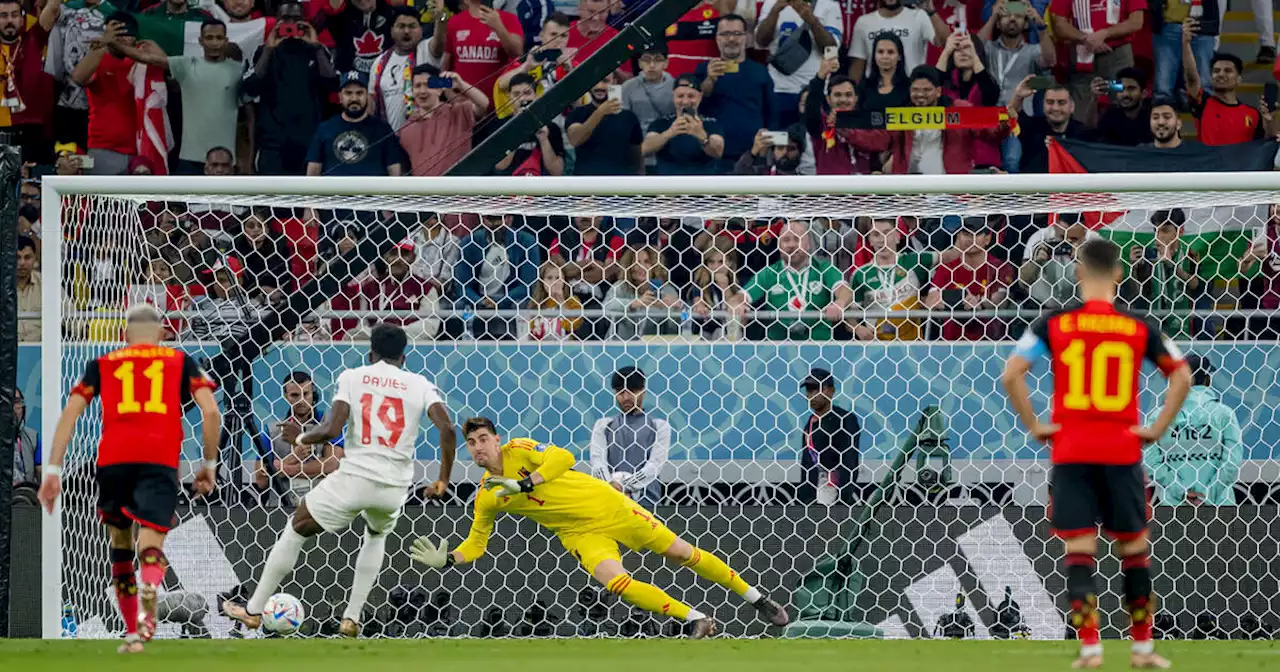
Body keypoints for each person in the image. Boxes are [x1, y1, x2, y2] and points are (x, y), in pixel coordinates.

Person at [409, 416, 790, 638]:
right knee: (615, 582)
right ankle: (695, 620)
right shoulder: (486, 496)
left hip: (610, 506)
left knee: (683, 554)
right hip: (579, 533)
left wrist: (525, 484)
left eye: (483, 439)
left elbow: (564, 456)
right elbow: (477, 544)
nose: (478, 447)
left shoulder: (520, 449)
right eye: (471, 443)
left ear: (497, 440)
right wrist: (448, 560)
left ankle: (757, 598)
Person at [1002, 238, 1191, 670]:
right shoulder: (1141, 326)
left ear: (1078, 272)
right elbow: (1181, 376)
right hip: (1122, 449)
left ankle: (1090, 649)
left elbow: (1012, 374)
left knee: (1079, 550)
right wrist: (1157, 429)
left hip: (1071, 450)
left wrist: (1035, 425)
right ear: (1120, 274)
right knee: (1134, 549)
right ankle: (1142, 649)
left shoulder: (1053, 324)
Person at [224, 323, 458, 638]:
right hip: (394, 486)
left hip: (356, 477)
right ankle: (351, 618)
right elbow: (448, 429)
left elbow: (331, 430)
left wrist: (301, 436)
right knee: (376, 536)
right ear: (404, 356)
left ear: (370, 351)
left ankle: (252, 612)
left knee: (296, 529)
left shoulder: (353, 377)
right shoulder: (420, 384)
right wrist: (443, 479)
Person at [38, 304, 221, 653]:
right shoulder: (181, 362)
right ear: (162, 335)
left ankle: (132, 632)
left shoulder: (103, 365)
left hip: (113, 462)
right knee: (151, 546)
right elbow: (211, 411)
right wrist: (209, 464)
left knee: (120, 549)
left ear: (124, 336)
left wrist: (53, 472)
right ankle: (150, 588)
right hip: (159, 460)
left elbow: (70, 415)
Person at [110, 19, 241, 175]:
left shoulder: (238, 70)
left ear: (226, 40)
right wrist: (113, 43)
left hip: (224, 161)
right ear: (201, 40)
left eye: (219, 38)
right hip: (190, 157)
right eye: (209, 37)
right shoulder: (187, 65)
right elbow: (148, 58)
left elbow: (248, 114)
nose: (214, 42)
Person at [244, 2, 338, 175]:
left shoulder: (318, 50)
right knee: (272, 197)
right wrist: (269, 49)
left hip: (309, 139)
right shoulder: (262, 51)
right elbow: (251, 87)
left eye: (296, 19)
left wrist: (315, 45)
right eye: (286, 18)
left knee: (307, 197)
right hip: (273, 141)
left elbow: (333, 84)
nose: (291, 24)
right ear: (277, 20)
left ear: (304, 21)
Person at [1145, 354, 1242, 507]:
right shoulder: (1224, 414)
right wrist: (1208, 495)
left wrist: (1180, 492)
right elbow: (1232, 462)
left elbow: (1150, 461)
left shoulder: (1159, 417)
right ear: (1208, 380)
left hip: (1174, 508)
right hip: (1220, 506)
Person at [738, 219, 853, 340]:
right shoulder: (769, 273)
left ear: (808, 244)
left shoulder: (824, 268)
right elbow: (741, 296)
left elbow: (844, 290)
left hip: (819, 347)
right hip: (779, 349)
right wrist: (737, 304)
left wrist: (840, 303)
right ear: (779, 245)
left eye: (797, 239)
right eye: (786, 240)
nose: (792, 245)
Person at [1049, 0, 1145, 127]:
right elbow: (1060, 24)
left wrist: (1105, 33)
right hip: (1083, 55)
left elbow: (1136, 21)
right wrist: (1085, 38)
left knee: (1120, 99)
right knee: (1082, 104)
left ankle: (1122, 141)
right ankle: (1083, 142)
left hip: (1116, 57)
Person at [847, 218, 945, 341]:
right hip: (876, 344)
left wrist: (934, 290)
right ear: (869, 240)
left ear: (897, 237)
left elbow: (949, 257)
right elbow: (849, 316)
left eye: (887, 233)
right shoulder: (860, 274)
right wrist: (858, 329)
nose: (882, 239)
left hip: (912, 342)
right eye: (876, 235)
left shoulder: (913, 262)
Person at [696, 14, 775, 167]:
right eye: (725, 34)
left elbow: (771, 113)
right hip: (712, 156)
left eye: (737, 34)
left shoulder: (760, 71)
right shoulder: (703, 70)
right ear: (717, 38)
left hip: (752, 155)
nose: (731, 39)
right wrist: (710, 79)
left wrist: (767, 149)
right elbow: (694, 106)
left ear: (746, 37)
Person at [589, 367, 672, 508]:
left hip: (647, 501)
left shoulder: (660, 426)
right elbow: (597, 462)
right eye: (620, 392)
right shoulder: (603, 425)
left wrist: (624, 486)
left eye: (632, 391)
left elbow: (655, 464)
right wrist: (611, 486)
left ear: (643, 392)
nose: (626, 397)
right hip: (610, 499)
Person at [259, 371, 344, 506]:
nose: (301, 400)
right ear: (285, 396)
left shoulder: (329, 424)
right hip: (279, 510)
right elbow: (261, 480)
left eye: (306, 394)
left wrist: (284, 469)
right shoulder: (271, 430)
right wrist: (294, 457)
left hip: (320, 507)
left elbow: (332, 464)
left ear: (313, 393)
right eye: (295, 395)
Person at [754, 0, 841, 128]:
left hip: (815, 91)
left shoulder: (829, 5)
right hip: (779, 89)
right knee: (780, 141)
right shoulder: (771, 3)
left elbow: (831, 50)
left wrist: (812, 21)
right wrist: (774, 12)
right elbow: (761, 41)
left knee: (815, 143)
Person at [1183, 23, 1269, 147]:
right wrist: (1186, 44)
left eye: (1228, 71)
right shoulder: (1203, 103)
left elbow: (1262, 146)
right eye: (1216, 71)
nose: (1221, 74)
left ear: (1239, 79)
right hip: (1210, 165)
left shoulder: (1253, 114)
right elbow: (1191, 78)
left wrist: (1270, 122)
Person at [398, 64, 489, 176]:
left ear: (440, 89)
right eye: (417, 86)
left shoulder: (458, 112)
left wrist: (460, 84)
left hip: (457, 191)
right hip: (422, 192)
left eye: (428, 85)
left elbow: (483, 104)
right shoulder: (405, 129)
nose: (422, 91)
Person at [306, 71, 403, 176]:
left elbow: (395, 171)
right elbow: (312, 172)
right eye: (348, 93)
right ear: (340, 97)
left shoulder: (383, 129)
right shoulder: (325, 129)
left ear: (367, 95)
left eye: (359, 93)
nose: (354, 98)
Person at [798, 368, 861, 505]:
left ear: (831, 391)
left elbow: (849, 462)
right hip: (811, 501)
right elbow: (806, 465)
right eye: (809, 390)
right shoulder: (810, 423)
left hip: (835, 499)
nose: (812, 395)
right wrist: (804, 499)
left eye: (817, 389)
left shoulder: (844, 419)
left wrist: (842, 501)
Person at [641, 74, 725, 175]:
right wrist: (669, 133)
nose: (685, 101)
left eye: (691, 96)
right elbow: (645, 149)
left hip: (702, 183)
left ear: (700, 97)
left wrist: (702, 136)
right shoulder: (661, 123)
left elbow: (718, 152)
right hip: (668, 183)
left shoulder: (711, 123)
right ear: (673, 97)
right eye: (680, 96)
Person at [848, 0, 951, 81]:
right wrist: (853, 91)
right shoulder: (864, 22)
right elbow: (858, 62)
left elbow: (945, 42)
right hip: (875, 87)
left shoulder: (919, 16)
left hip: (912, 87)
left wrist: (931, 11)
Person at [1007, 78, 1089, 174]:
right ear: (1043, 105)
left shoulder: (1083, 133)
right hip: (1035, 187)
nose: (1055, 108)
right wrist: (1018, 96)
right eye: (1050, 102)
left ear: (1072, 106)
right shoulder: (1033, 127)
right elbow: (1011, 117)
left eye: (1061, 102)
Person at [566, 78, 644, 175]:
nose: (599, 86)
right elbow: (575, 139)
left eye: (605, 81)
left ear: (614, 82)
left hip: (622, 183)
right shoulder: (577, 114)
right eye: (595, 82)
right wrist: (600, 112)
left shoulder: (629, 117)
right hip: (586, 184)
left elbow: (637, 155)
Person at [1092, 67, 1153, 146]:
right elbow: (1090, 133)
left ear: (1144, 93)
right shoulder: (1111, 114)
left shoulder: (1153, 116)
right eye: (1121, 89)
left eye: (1131, 89)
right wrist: (1094, 98)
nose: (1125, 94)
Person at [855, 33, 911, 112]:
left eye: (890, 52)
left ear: (899, 56)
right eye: (880, 52)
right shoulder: (864, 86)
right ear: (874, 55)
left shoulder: (909, 86)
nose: (885, 56)